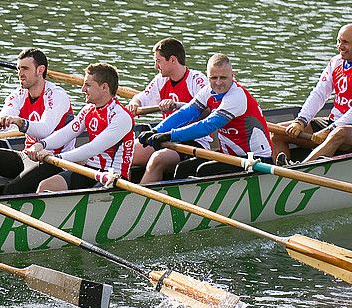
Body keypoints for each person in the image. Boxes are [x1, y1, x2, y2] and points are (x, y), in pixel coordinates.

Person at [137, 53, 273, 182]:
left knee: (202, 170)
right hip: (231, 156)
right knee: (184, 168)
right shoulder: (208, 91)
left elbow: (207, 125)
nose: (218, 83)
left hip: (256, 160)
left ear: (233, 75)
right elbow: (186, 112)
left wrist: (169, 135)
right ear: (208, 77)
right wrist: (157, 131)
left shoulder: (236, 97)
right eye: (214, 78)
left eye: (223, 78)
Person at [279, 23, 352, 163]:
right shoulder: (336, 62)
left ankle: (299, 172)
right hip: (333, 122)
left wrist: (330, 130)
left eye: (345, 42)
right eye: (338, 41)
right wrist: (301, 121)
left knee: (339, 133)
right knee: (279, 132)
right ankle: (280, 170)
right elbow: (319, 94)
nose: (340, 46)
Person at [23, 62, 135, 193]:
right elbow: (66, 133)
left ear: (104, 87)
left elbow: (92, 148)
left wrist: (57, 158)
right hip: (89, 170)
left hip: (114, 177)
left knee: (91, 196)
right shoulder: (89, 109)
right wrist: (41, 145)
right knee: (46, 186)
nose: (82, 89)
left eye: (88, 85)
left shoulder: (121, 117)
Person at [0, 47, 74, 186]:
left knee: (11, 190)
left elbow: (45, 129)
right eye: (18, 69)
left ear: (40, 70)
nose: (20, 73)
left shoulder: (56, 95)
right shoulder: (19, 94)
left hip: (53, 160)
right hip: (27, 155)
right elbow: (6, 117)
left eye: (25, 68)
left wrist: (19, 122)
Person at [127, 37, 207, 178]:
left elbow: (207, 111)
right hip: (163, 136)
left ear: (173, 60)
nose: (156, 66)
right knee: (127, 153)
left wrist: (176, 105)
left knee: (157, 159)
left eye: (158, 61)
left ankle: (141, 198)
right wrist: (134, 103)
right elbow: (143, 97)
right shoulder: (161, 79)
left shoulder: (197, 80)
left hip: (194, 140)